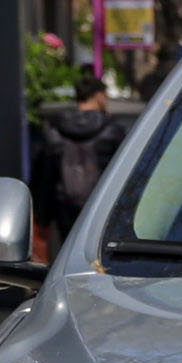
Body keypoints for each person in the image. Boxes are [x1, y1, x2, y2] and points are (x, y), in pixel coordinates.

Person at [34, 74, 127, 240]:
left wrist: (42, 218)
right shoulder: (112, 130)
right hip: (102, 206)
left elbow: (45, 176)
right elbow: (124, 174)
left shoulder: (55, 130)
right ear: (99, 95)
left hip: (65, 209)